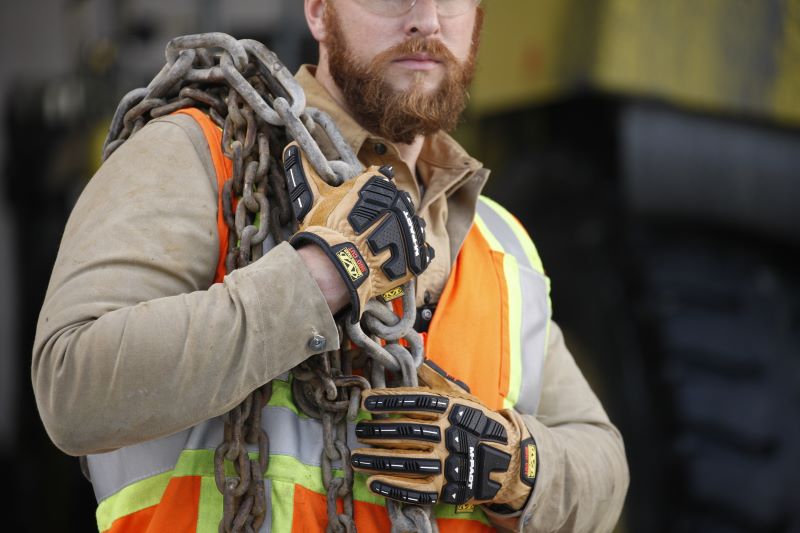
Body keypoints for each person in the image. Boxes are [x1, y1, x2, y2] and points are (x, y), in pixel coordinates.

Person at [32, 0, 629, 531]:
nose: (425, 18)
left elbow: (604, 465)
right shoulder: (197, 160)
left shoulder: (499, 242)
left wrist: (512, 467)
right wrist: (323, 276)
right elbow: (71, 386)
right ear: (318, 12)